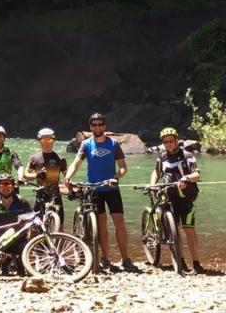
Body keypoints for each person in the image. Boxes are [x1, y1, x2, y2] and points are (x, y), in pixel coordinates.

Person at [65, 113, 137, 271]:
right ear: (90, 127)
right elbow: (76, 162)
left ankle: (125, 258)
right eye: (94, 125)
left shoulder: (113, 143)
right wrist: (68, 177)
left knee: (119, 223)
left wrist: (116, 177)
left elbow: (123, 167)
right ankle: (105, 258)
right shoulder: (86, 144)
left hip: (111, 188)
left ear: (104, 126)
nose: (97, 127)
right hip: (94, 189)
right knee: (102, 225)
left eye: (100, 124)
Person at [152, 127, 205, 274]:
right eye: (165, 142)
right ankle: (180, 261)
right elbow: (157, 171)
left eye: (171, 141)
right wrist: (153, 184)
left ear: (176, 141)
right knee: (174, 231)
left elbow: (197, 174)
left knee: (189, 231)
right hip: (169, 198)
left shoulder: (187, 155)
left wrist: (186, 178)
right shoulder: (162, 157)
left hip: (186, 198)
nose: (168, 144)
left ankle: (196, 263)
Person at [22, 128, 66, 227]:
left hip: (55, 194)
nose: (46, 142)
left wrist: (70, 187)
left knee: (60, 224)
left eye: (49, 139)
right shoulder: (35, 158)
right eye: (43, 140)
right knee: (35, 224)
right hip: (40, 194)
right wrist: (36, 175)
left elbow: (67, 176)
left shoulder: (60, 158)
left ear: (53, 141)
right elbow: (25, 174)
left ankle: (59, 241)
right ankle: (36, 242)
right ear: (40, 141)